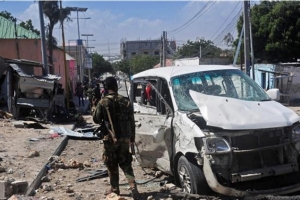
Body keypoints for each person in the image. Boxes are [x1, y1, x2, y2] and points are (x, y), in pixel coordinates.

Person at [92, 77, 139, 199]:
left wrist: (94, 106)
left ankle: (115, 189)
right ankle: (133, 187)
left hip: (110, 139)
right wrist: (132, 137)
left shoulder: (103, 102)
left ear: (106, 88)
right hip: (125, 138)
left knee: (111, 163)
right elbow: (131, 121)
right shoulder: (126, 101)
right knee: (126, 163)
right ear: (116, 86)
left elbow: (96, 119)